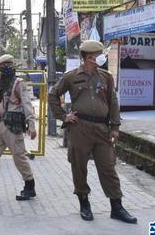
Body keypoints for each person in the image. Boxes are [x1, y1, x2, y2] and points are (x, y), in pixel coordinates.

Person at [48, 40, 137, 224]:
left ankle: (116, 207)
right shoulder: (71, 77)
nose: (101, 58)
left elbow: (113, 102)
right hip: (80, 128)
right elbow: (52, 95)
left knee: (108, 167)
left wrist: (115, 127)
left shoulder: (105, 77)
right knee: (79, 167)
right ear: (88, 57)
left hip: (102, 129)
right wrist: (63, 116)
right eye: (98, 55)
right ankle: (84, 203)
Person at [0, 54, 37, 201]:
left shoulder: (19, 83)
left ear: (12, 65)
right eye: (2, 66)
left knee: (19, 158)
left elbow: (27, 104)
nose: (5, 68)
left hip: (13, 127)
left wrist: (31, 124)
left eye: (8, 65)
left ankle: (29, 187)